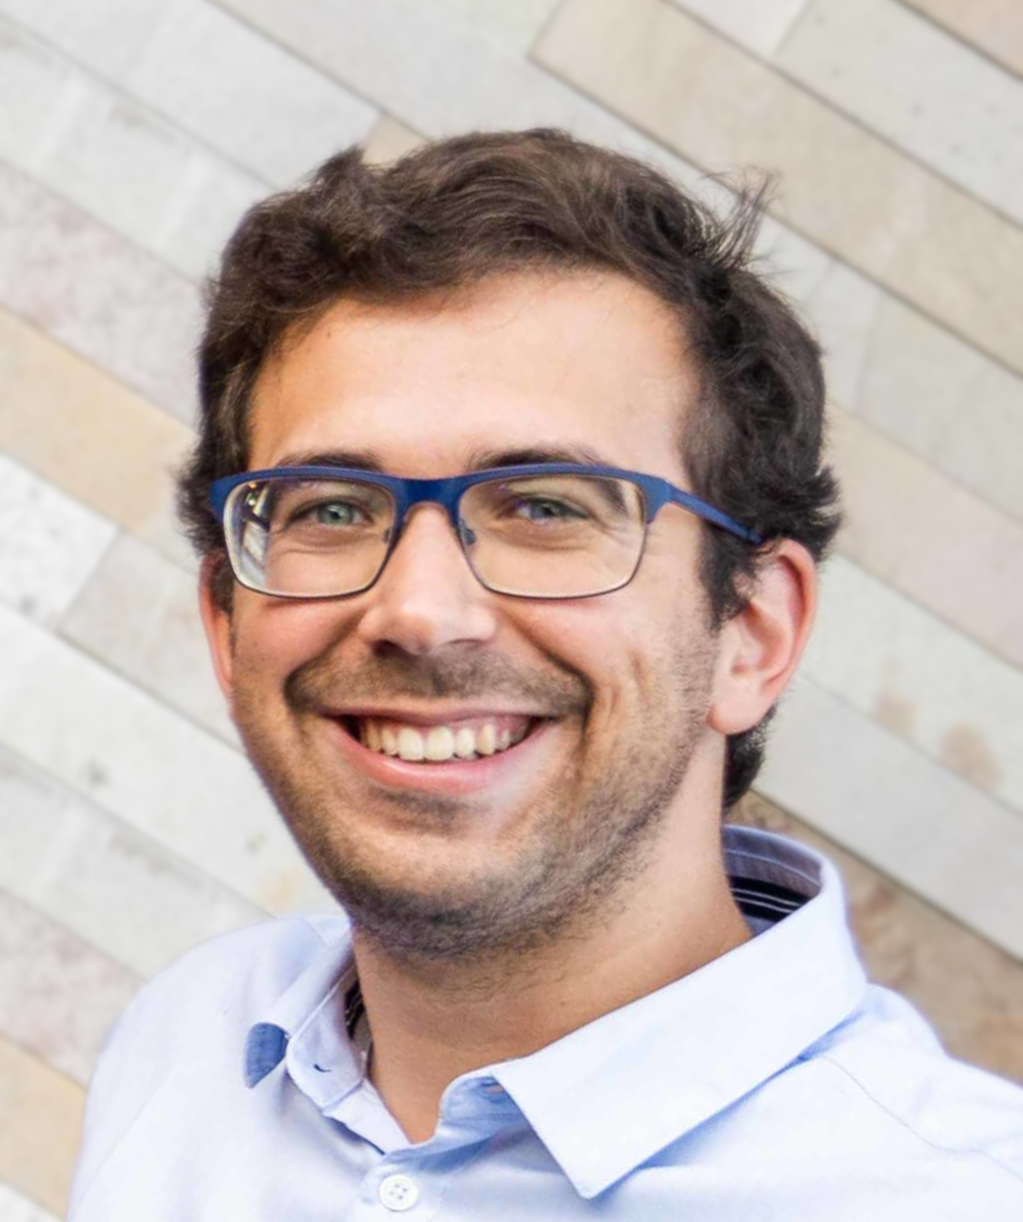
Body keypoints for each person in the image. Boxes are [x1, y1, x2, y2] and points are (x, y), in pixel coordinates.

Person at [67, 129, 1022, 1220]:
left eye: (545, 507)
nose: (419, 613)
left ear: (752, 633)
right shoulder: (185, 1045)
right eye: (330, 508)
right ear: (226, 623)